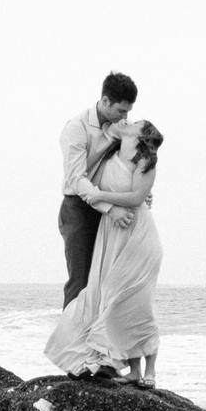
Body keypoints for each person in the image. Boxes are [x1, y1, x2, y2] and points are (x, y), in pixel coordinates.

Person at [45, 117, 166, 384]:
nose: (127, 120)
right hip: (111, 234)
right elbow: (85, 182)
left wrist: (103, 196)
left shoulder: (145, 161)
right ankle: (117, 365)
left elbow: (135, 198)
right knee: (113, 298)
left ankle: (150, 371)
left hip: (138, 236)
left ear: (141, 135)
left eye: (134, 121)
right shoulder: (110, 155)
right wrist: (103, 197)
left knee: (137, 301)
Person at [58, 72, 138, 307]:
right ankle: (69, 342)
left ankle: (98, 341)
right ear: (105, 101)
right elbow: (76, 179)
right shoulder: (77, 127)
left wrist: (138, 193)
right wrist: (110, 208)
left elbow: (129, 162)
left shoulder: (121, 127)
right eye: (121, 111)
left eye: (128, 111)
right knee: (81, 282)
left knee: (108, 281)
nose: (125, 117)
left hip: (110, 205)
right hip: (77, 210)